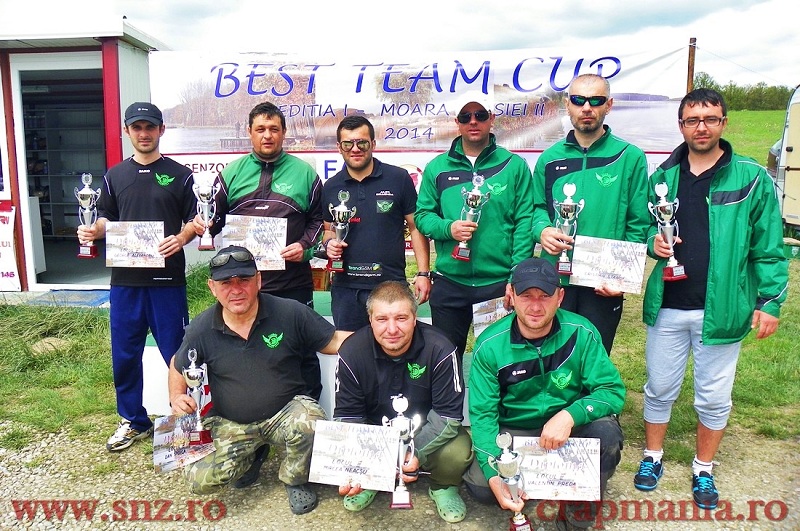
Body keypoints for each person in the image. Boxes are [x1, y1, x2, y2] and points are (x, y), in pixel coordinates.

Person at [634, 88, 788, 510]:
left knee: (714, 396)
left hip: (722, 309)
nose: (701, 127)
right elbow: (641, 227)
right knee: (659, 388)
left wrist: (770, 302)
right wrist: (652, 243)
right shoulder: (662, 177)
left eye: (710, 119)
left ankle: (703, 467)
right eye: (692, 120)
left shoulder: (751, 178)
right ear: (681, 125)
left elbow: (769, 247)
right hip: (668, 305)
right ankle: (652, 456)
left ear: (723, 123)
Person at [168, 246, 351, 514]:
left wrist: (380, 336)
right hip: (231, 422)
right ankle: (251, 455)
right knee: (198, 481)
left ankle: (295, 479)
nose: (236, 290)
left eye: (244, 280)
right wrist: (176, 396)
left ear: (258, 280)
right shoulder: (201, 328)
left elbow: (333, 341)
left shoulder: (290, 312)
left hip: (284, 414)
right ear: (212, 287)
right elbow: (178, 363)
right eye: (226, 283)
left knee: (311, 422)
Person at [465, 257, 625, 530]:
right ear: (511, 294)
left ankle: (576, 515)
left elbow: (612, 391)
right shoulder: (489, 345)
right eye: (526, 296)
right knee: (482, 487)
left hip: (567, 430)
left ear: (560, 297)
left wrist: (570, 416)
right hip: (515, 430)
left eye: (545, 296)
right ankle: (543, 480)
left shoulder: (582, 332)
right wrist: (494, 474)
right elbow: (482, 415)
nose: (536, 306)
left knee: (607, 435)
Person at [77, 102, 197, 452]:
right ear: (126, 131)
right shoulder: (114, 176)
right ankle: (133, 420)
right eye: (137, 127)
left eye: (150, 127)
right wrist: (93, 230)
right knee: (125, 355)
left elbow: (195, 220)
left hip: (166, 283)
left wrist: (182, 237)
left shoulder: (181, 175)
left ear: (161, 130)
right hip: (125, 282)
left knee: (177, 354)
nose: (144, 134)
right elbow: (105, 218)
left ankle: (185, 422)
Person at [199, 101, 325, 401]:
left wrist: (305, 248)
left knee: (302, 351)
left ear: (284, 132)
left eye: (273, 129)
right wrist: (204, 225)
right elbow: (213, 220)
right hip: (242, 285)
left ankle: (309, 414)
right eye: (260, 129)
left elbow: (320, 221)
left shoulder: (305, 174)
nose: (267, 135)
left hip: (292, 282)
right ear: (249, 132)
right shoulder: (231, 174)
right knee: (244, 352)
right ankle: (248, 412)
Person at [333, 281, 472, 523]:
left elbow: (447, 417)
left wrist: (414, 451)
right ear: (370, 319)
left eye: (401, 318)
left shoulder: (441, 349)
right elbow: (348, 416)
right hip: (374, 434)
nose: (392, 329)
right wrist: (364, 460)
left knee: (457, 451)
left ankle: (443, 486)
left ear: (415, 318)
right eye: (382, 319)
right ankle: (371, 479)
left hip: (426, 430)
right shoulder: (351, 352)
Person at [532, 73, 650, 355]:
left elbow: (638, 222)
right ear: (567, 104)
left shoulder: (629, 156)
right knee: (551, 356)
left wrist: (623, 277)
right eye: (578, 100)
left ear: (609, 105)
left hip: (603, 281)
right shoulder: (549, 158)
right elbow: (536, 209)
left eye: (596, 100)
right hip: (555, 278)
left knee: (594, 358)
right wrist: (542, 230)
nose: (587, 107)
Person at [415, 95, 534, 356]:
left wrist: (516, 276)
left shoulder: (513, 165)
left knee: (497, 359)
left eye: (480, 115)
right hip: (450, 281)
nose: (473, 122)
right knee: (445, 360)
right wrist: (449, 229)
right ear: (456, 122)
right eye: (466, 116)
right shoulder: (437, 168)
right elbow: (422, 216)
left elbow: (524, 222)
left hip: (497, 283)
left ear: (491, 119)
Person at [322, 116, 431, 331]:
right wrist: (329, 244)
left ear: (373, 144)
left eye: (362, 143)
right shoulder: (331, 186)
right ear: (339, 147)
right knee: (350, 347)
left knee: (394, 345)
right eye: (348, 143)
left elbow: (415, 227)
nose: (355, 149)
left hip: (390, 284)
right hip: (346, 289)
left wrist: (423, 273)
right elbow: (328, 230)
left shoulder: (398, 178)